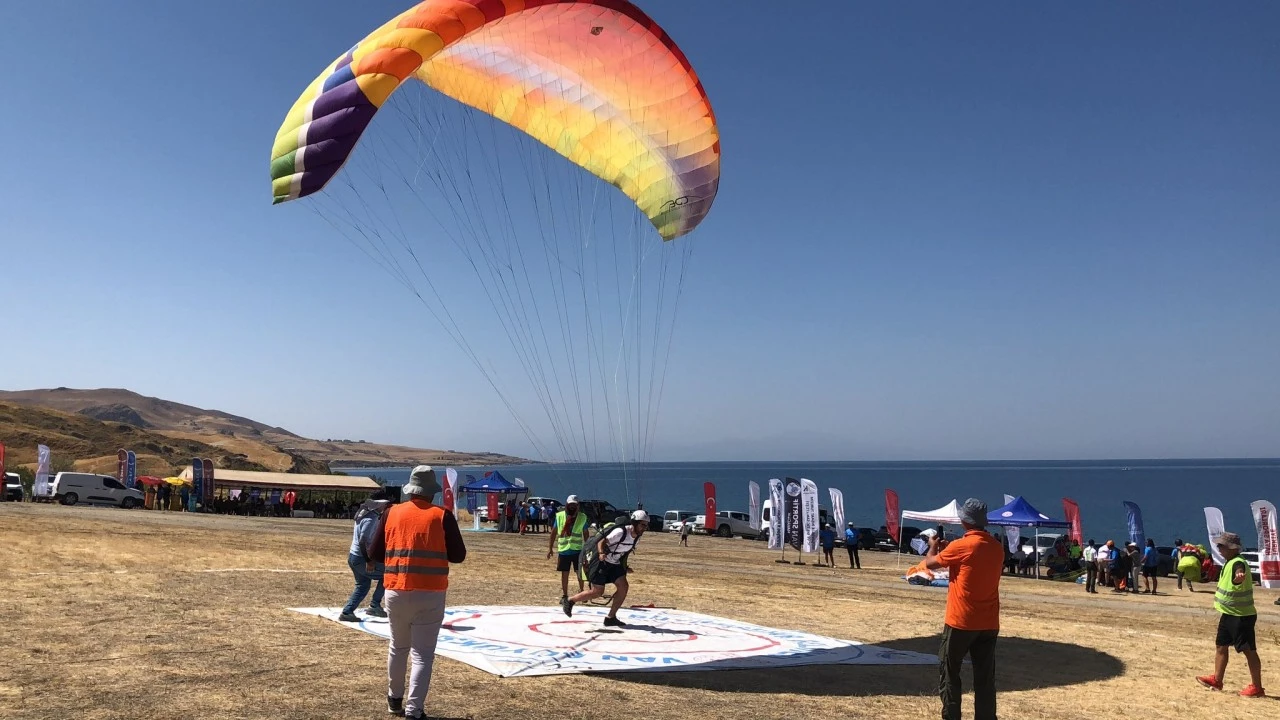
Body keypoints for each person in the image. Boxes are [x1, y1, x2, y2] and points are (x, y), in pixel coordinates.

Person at [367, 466, 467, 720]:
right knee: (422, 654)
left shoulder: (391, 513)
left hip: (396, 589)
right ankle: (414, 710)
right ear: (431, 492)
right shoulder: (441, 516)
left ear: (410, 490)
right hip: (430, 592)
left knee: (398, 647)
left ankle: (394, 700)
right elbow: (459, 555)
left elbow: (375, 553)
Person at [923, 498, 1003, 720]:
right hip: (988, 621)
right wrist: (949, 551)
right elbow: (974, 564)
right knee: (985, 677)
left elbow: (930, 563)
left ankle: (952, 715)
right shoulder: (996, 547)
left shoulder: (961, 545)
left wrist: (933, 546)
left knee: (950, 671)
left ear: (964, 521)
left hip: (961, 620)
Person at [1196, 531, 1265, 698]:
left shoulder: (1238, 563)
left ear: (1233, 548)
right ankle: (1217, 680)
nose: (1219, 548)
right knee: (1221, 646)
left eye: (1222, 546)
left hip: (1241, 616)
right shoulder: (1229, 562)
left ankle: (1257, 687)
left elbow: (1238, 572)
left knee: (1249, 650)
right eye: (1218, 545)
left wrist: (1239, 577)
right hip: (1228, 614)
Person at [563, 510, 649, 627]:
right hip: (601, 561)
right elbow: (601, 542)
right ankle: (570, 600)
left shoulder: (637, 538)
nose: (645, 528)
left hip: (614, 563)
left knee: (623, 587)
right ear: (635, 523)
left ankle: (611, 617)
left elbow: (624, 552)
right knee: (597, 592)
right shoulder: (620, 532)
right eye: (642, 525)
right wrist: (601, 553)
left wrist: (625, 567)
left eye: (646, 525)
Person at [339, 489, 391, 622]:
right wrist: (369, 560)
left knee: (362, 585)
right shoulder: (371, 518)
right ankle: (375, 605)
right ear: (380, 504)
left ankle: (347, 612)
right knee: (388, 575)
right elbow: (363, 540)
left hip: (354, 556)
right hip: (362, 558)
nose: (386, 506)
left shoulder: (364, 513)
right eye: (385, 503)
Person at [547, 495, 590, 602]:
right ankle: (565, 595)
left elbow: (586, 534)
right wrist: (550, 548)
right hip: (564, 550)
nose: (572, 506)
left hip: (577, 550)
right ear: (566, 504)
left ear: (578, 505)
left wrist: (588, 549)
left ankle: (581, 592)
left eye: (574, 504)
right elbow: (554, 532)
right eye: (570, 504)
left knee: (579, 572)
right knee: (564, 573)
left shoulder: (582, 517)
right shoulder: (560, 516)